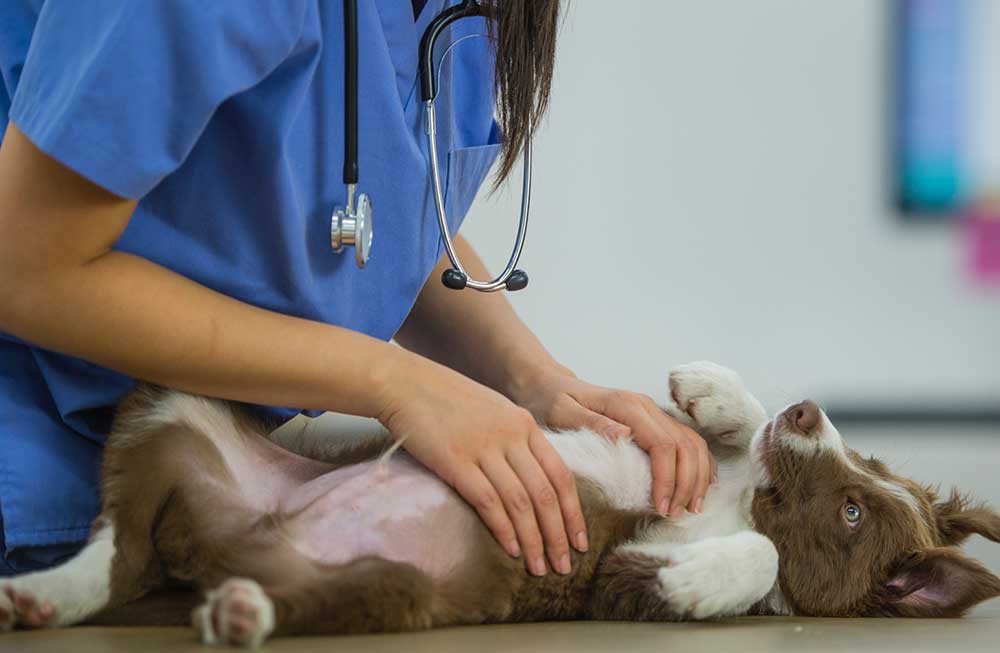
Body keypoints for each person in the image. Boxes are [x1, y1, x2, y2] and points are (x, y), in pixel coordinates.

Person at [0, 0, 713, 578]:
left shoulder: (456, 12)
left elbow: (364, 217)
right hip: (34, 495)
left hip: (202, 511)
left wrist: (534, 381)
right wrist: (391, 380)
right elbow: (27, 267)